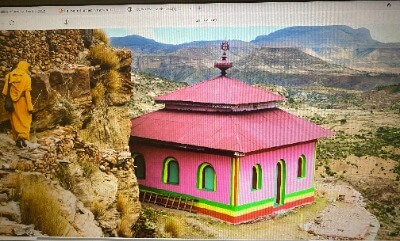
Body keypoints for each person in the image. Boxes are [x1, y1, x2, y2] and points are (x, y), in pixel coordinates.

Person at [2, 61, 34, 148]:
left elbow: (5, 92)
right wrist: (30, 106)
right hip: (23, 101)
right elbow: (27, 93)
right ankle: (22, 137)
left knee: (15, 120)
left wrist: (8, 99)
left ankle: (18, 139)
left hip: (12, 103)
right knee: (25, 120)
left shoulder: (9, 76)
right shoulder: (26, 77)